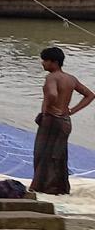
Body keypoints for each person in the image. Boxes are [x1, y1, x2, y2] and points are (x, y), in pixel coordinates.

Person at [31, 47, 94, 195]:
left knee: (42, 153)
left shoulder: (52, 77)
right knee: (58, 155)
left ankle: (43, 187)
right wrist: (71, 110)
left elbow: (52, 94)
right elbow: (90, 95)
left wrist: (47, 108)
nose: (42, 63)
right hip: (65, 121)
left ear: (54, 62)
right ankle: (59, 188)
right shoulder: (71, 79)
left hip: (52, 120)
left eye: (45, 60)